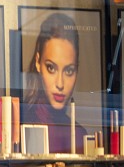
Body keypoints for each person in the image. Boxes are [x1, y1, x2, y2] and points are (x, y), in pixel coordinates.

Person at [22, 11, 88, 153]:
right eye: (51, 68)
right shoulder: (21, 125)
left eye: (69, 71)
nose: (60, 84)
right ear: (38, 62)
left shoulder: (79, 135)